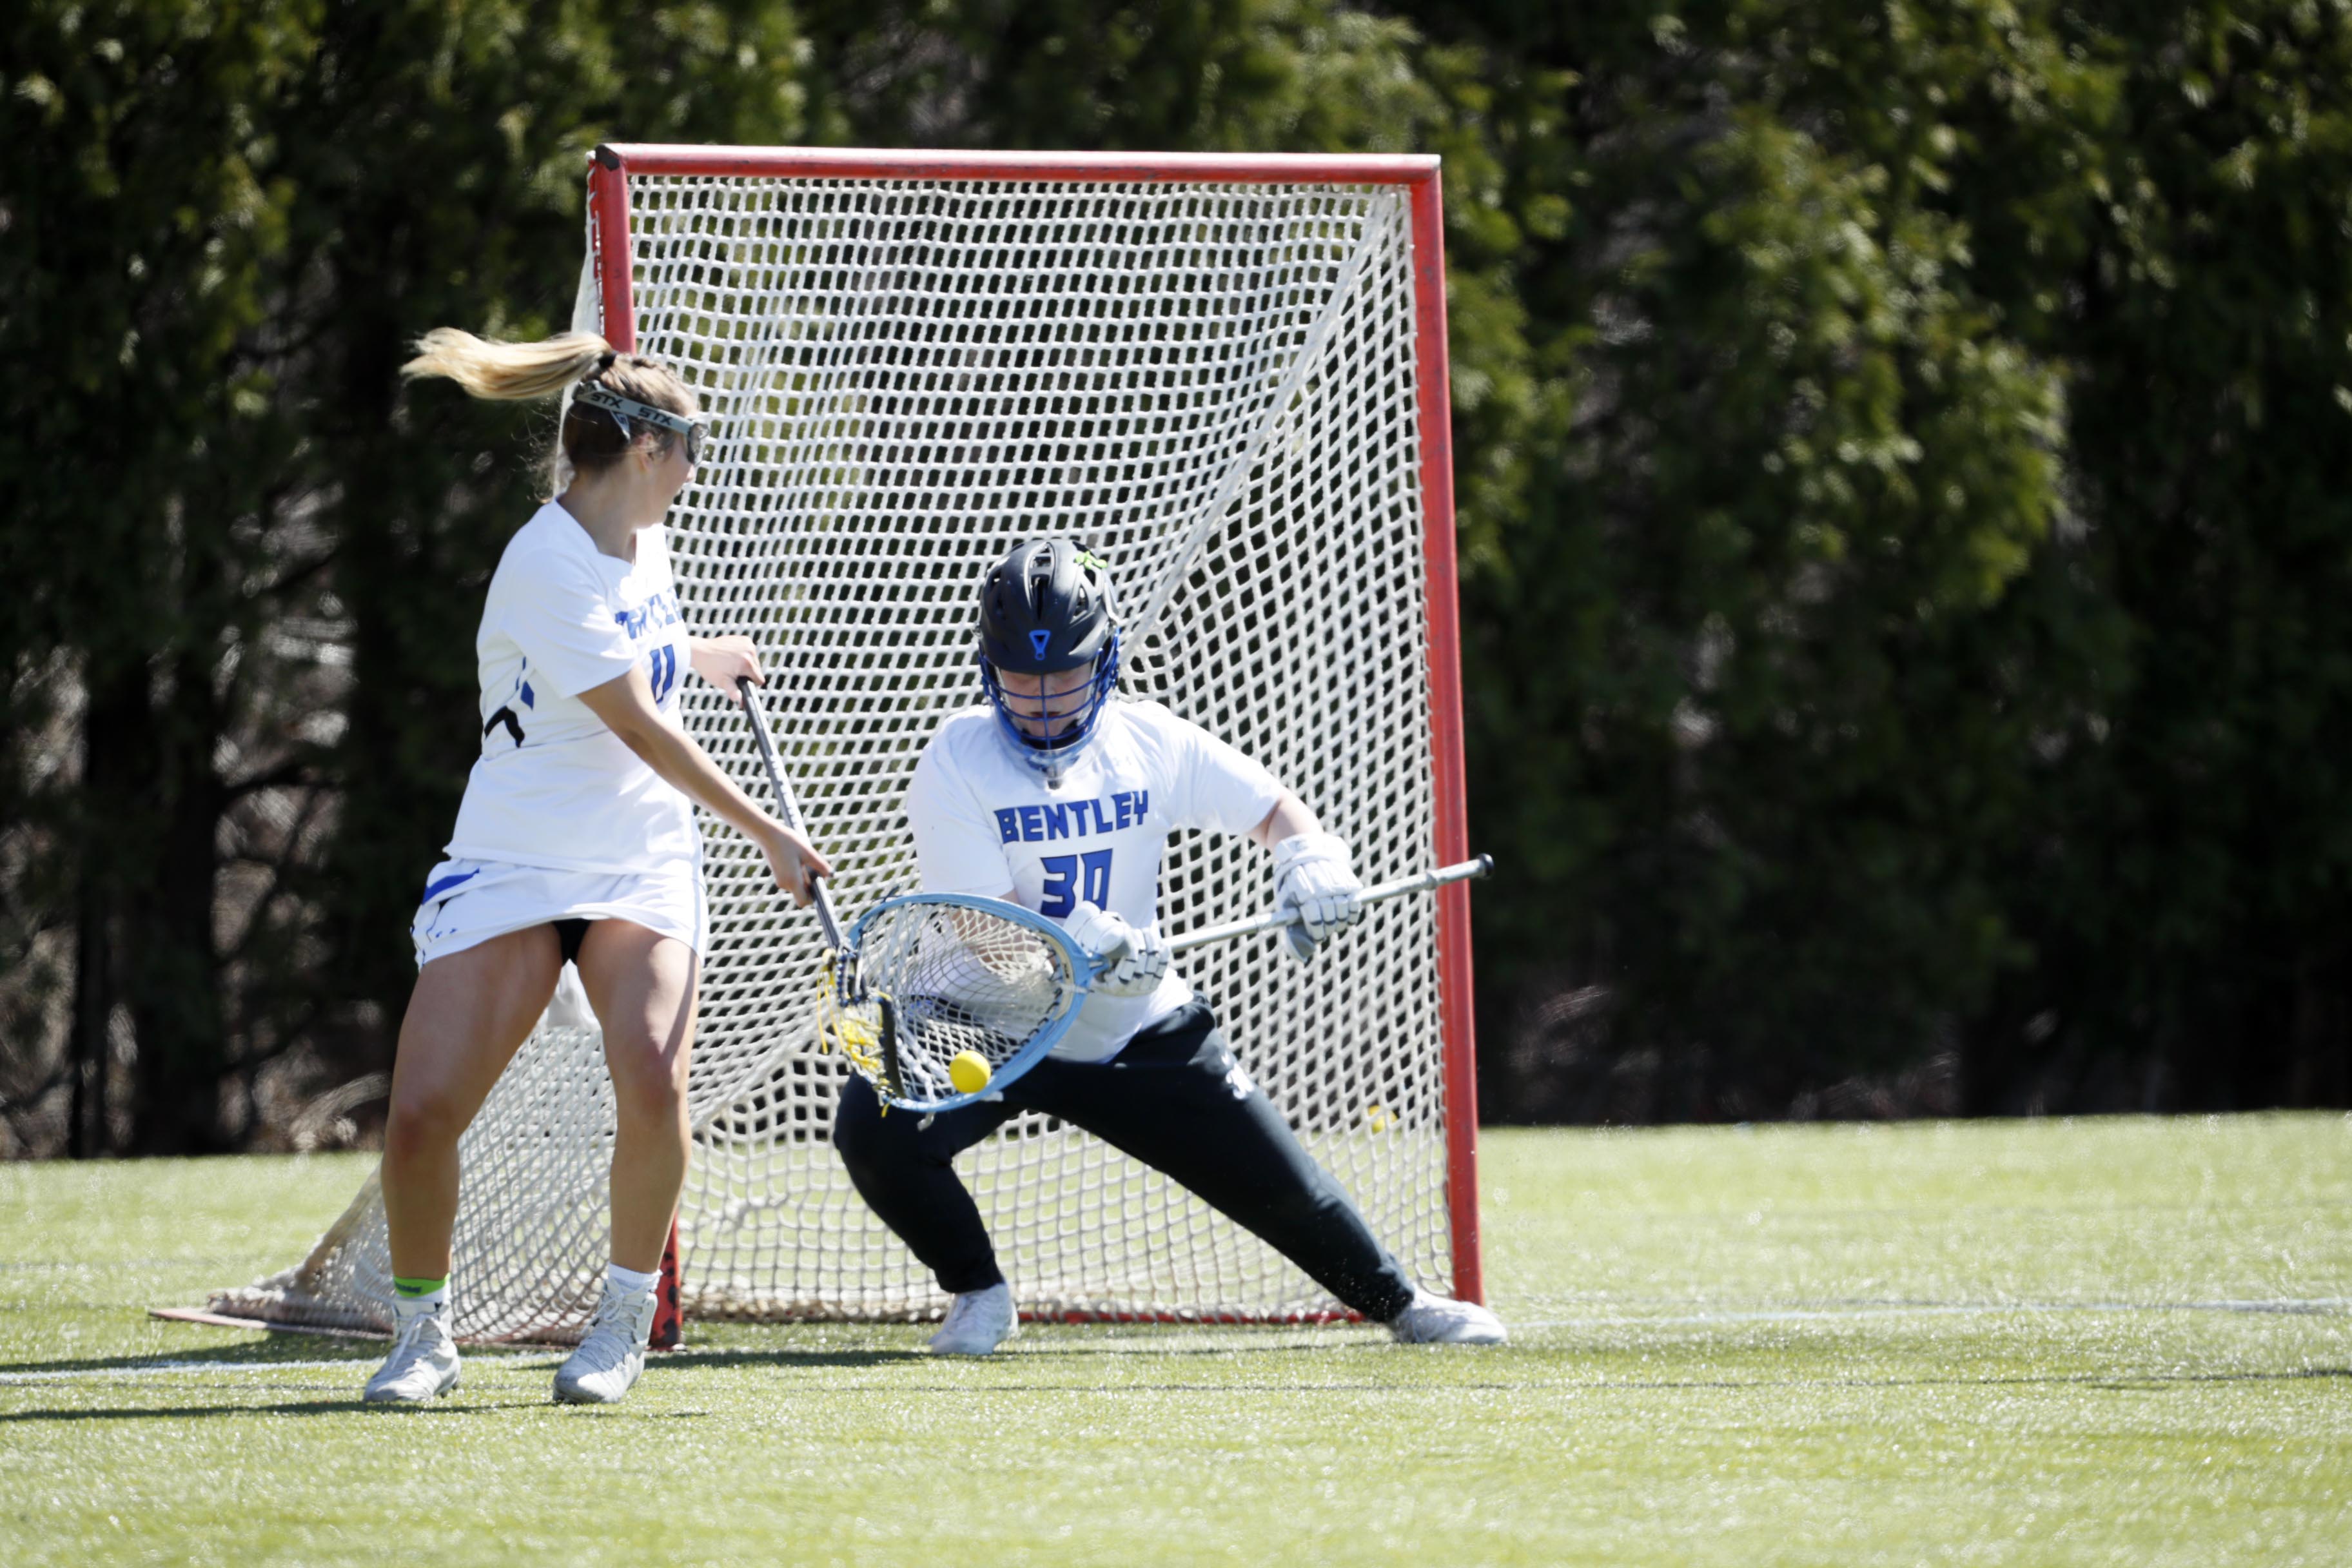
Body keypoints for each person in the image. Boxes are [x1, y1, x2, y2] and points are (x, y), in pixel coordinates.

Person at [833, 539, 1506, 1354]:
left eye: (1064, 678)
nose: (1043, 701)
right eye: (1023, 679)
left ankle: (1404, 1305)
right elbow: (987, 931)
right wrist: (1077, 946)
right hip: (985, 1023)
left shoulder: (1150, 740)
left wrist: (1309, 858)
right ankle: (979, 1292)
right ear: (987, 666)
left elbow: (1272, 807)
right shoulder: (956, 757)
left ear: (1106, 658)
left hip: (1131, 1025)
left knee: (1289, 1192)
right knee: (872, 1130)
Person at [364, 329, 830, 1406]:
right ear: (642, 452)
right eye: (690, 448)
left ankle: (619, 1323)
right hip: (517, 855)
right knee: (423, 1112)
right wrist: (767, 831)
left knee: (653, 1081)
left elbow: (636, 655)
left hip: (638, 860)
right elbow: (637, 729)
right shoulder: (542, 559)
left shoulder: (641, 541)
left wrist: (699, 656)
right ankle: (422, 1333)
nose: (696, 470)